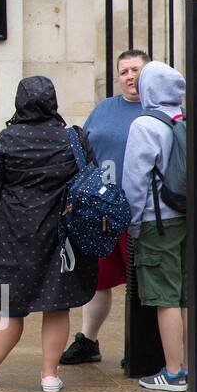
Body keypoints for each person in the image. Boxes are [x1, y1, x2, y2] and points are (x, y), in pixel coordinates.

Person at [0, 76, 98, 392]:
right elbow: (91, 179)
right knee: (57, 305)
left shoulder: (8, 139)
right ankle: (49, 375)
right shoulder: (73, 138)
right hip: (62, 235)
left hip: (13, 234)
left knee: (12, 307)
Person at [61, 49, 149, 365]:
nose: (130, 77)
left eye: (136, 70)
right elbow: (83, 149)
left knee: (144, 282)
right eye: (124, 71)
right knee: (98, 281)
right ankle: (88, 341)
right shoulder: (103, 109)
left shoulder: (160, 110)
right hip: (102, 212)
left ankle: (144, 347)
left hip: (143, 211)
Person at [122, 61, 189, 392]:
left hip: (157, 220)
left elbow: (135, 181)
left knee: (165, 297)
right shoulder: (184, 119)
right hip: (187, 217)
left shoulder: (145, 125)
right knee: (184, 295)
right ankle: (188, 365)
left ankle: (173, 372)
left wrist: (132, 223)